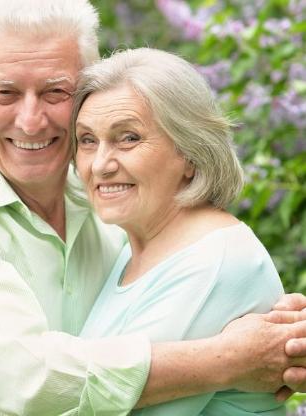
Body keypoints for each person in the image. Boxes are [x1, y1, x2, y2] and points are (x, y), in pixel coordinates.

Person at [0, 0, 306, 415]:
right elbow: (32, 379)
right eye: (6, 93)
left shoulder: (127, 216)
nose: (31, 121)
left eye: (55, 92)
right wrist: (229, 361)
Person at [73, 47, 287, 414]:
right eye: (88, 140)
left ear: (190, 153)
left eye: (128, 138)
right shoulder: (134, 249)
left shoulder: (214, 261)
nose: (100, 165)